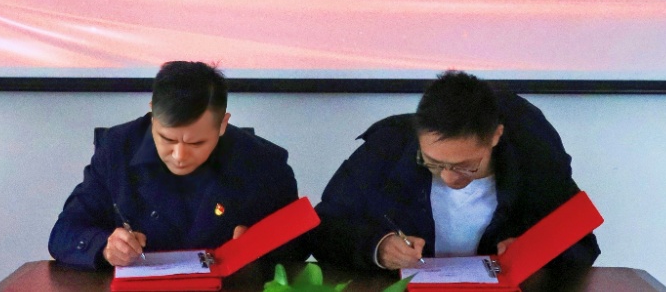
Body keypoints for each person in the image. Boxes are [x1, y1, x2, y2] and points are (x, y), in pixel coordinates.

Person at [311, 71, 599, 273]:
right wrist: (378, 247)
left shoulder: (537, 163)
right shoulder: (385, 152)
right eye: (433, 163)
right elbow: (323, 229)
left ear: (495, 136)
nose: (449, 178)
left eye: (466, 166)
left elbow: (583, 245)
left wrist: (539, 251)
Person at [48, 61, 303, 270]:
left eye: (197, 143)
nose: (180, 155)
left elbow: (299, 246)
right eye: (167, 139)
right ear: (153, 115)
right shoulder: (117, 150)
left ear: (222, 124)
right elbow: (64, 232)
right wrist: (105, 247)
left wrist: (264, 245)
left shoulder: (262, 162)